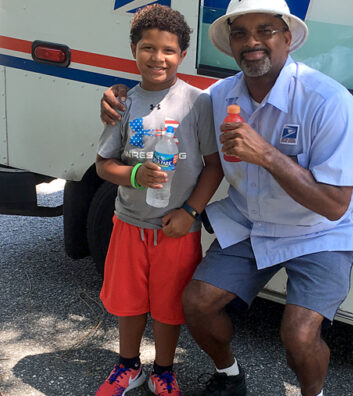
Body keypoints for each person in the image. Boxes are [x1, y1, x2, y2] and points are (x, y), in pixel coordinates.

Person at [100, 1, 353, 395]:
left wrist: (266, 155)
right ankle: (229, 375)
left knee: (298, 334)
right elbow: (167, 105)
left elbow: (334, 205)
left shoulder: (328, 101)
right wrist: (118, 95)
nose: (252, 42)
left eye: (266, 30)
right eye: (240, 33)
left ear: (288, 38)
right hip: (254, 221)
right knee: (196, 303)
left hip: (319, 231)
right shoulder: (217, 98)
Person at [94, 4, 223, 396]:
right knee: (128, 304)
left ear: (182, 55)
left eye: (168, 50)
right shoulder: (124, 102)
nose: (158, 57)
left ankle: (164, 371)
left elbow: (214, 167)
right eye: (148, 48)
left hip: (176, 230)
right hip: (129, 224)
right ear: (134, 49)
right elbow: (103, 164)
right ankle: (127, 366)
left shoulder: (198, 103)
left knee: (169, 308)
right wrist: (135, 174)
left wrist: (189, 212)